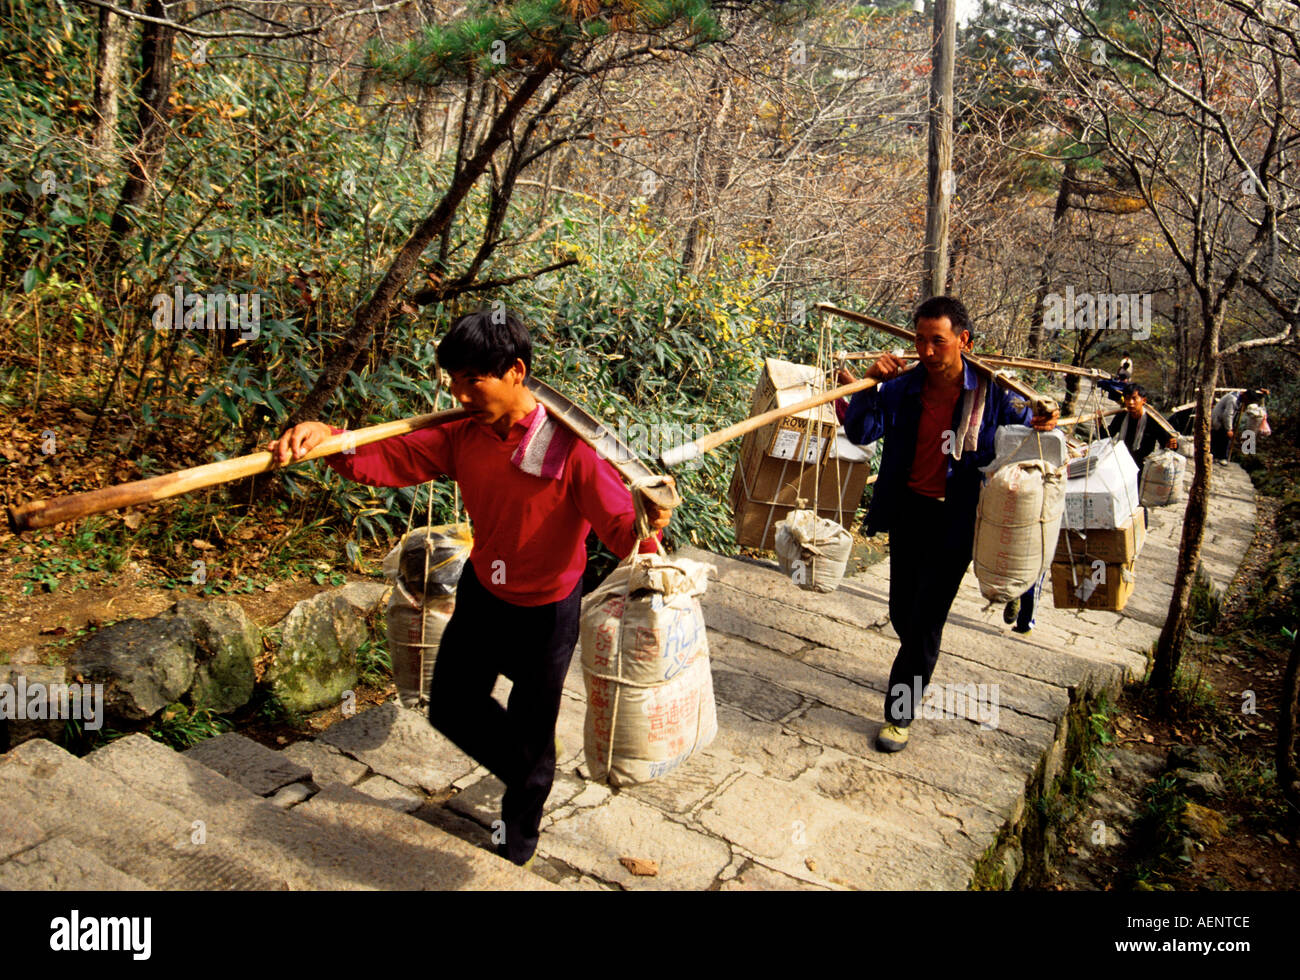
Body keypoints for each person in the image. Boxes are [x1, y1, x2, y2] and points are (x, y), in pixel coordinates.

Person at [269, 310, 675, 867]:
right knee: (451, 708)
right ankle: (531, 768)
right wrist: (332, 442)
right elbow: (395, 456)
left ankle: (517, 843)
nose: (459, 394)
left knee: (531, 724)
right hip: (484, 593)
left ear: (516, 371)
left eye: (472, 381)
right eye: (453, 381)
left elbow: (622, 532)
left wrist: (650, 518)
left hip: (547, 612)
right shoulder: (465, 434)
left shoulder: (573, 450)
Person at [835, 296, 1059, 754]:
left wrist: (1044, 418)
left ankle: (899, 715)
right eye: (919, 340)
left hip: (958, 517)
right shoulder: (904, 387)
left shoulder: (993, 393)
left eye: (938, 341)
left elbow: (1031, 425)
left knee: (925, 619)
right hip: (910, 511)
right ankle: (916, 661)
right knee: (902, 610)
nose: (927, 351)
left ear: (964, 341)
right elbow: (861, 433)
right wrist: (867, 385)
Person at [1107, 382, 1177, 469]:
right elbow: (1107, 435)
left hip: (1142, 465)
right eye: (1127, 399)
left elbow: (1166, 444)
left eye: (1134, 399)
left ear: (1143, 400)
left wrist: (1171, 443)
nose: (1130, 403)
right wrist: (1099, 424)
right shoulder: (1121, 416)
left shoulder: (1153, 420)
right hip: (1121, 461)